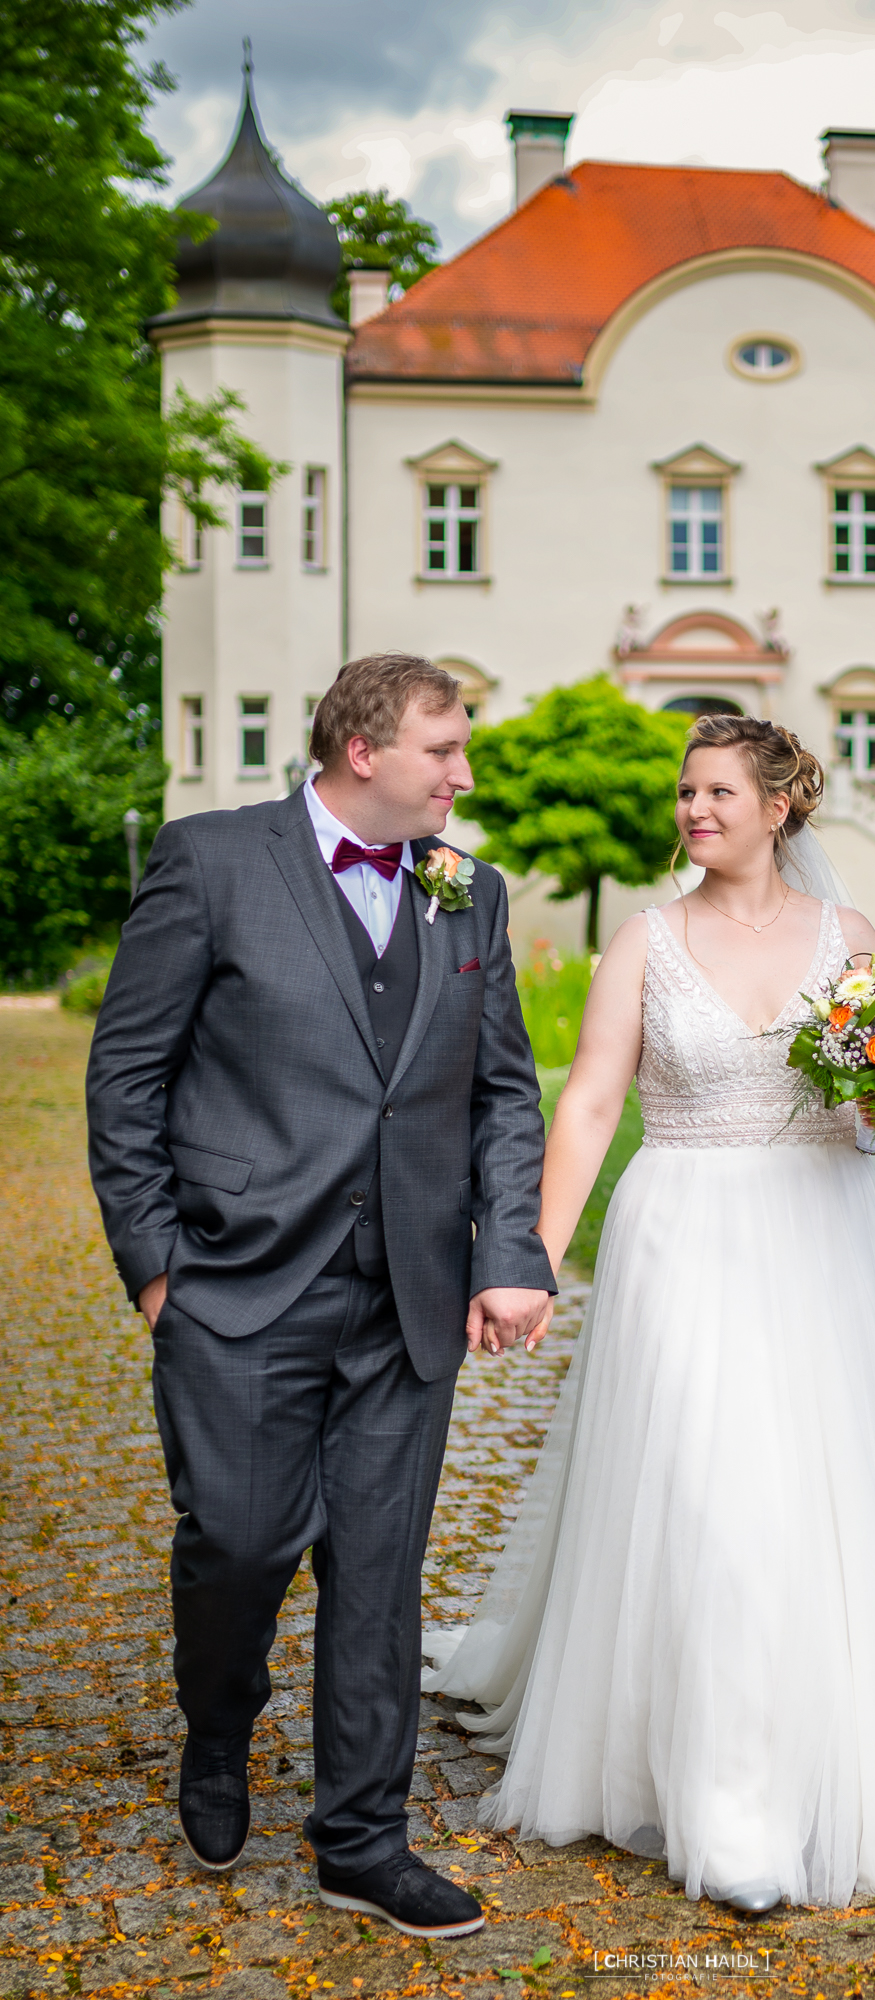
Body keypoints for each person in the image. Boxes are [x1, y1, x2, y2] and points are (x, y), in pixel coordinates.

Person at [422, 713, 875, 1911]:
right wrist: (536, 1258)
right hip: (686, 1235)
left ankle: (821, 1769)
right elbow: (594, 1104)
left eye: (718, 791)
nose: (695, 810)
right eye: (685, 792)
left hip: (818, 1243)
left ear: (778, 807)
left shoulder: (850, 937)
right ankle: (724, 1805)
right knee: (705, 1495)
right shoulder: (643, 941)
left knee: (813, 1496)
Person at [86, 653, 556, 1940]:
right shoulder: (211, 861)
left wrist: (508, 1245)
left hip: (411, 1295)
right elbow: (127, 1076)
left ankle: (362, 1838)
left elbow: (503, 1089)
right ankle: (219, 1727)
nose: (464, 774)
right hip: (235, 1282)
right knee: (240, 1541)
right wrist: (155, 1265)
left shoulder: (472, 891)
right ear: (364, 750)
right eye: (444, 749)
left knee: (379, 1571)